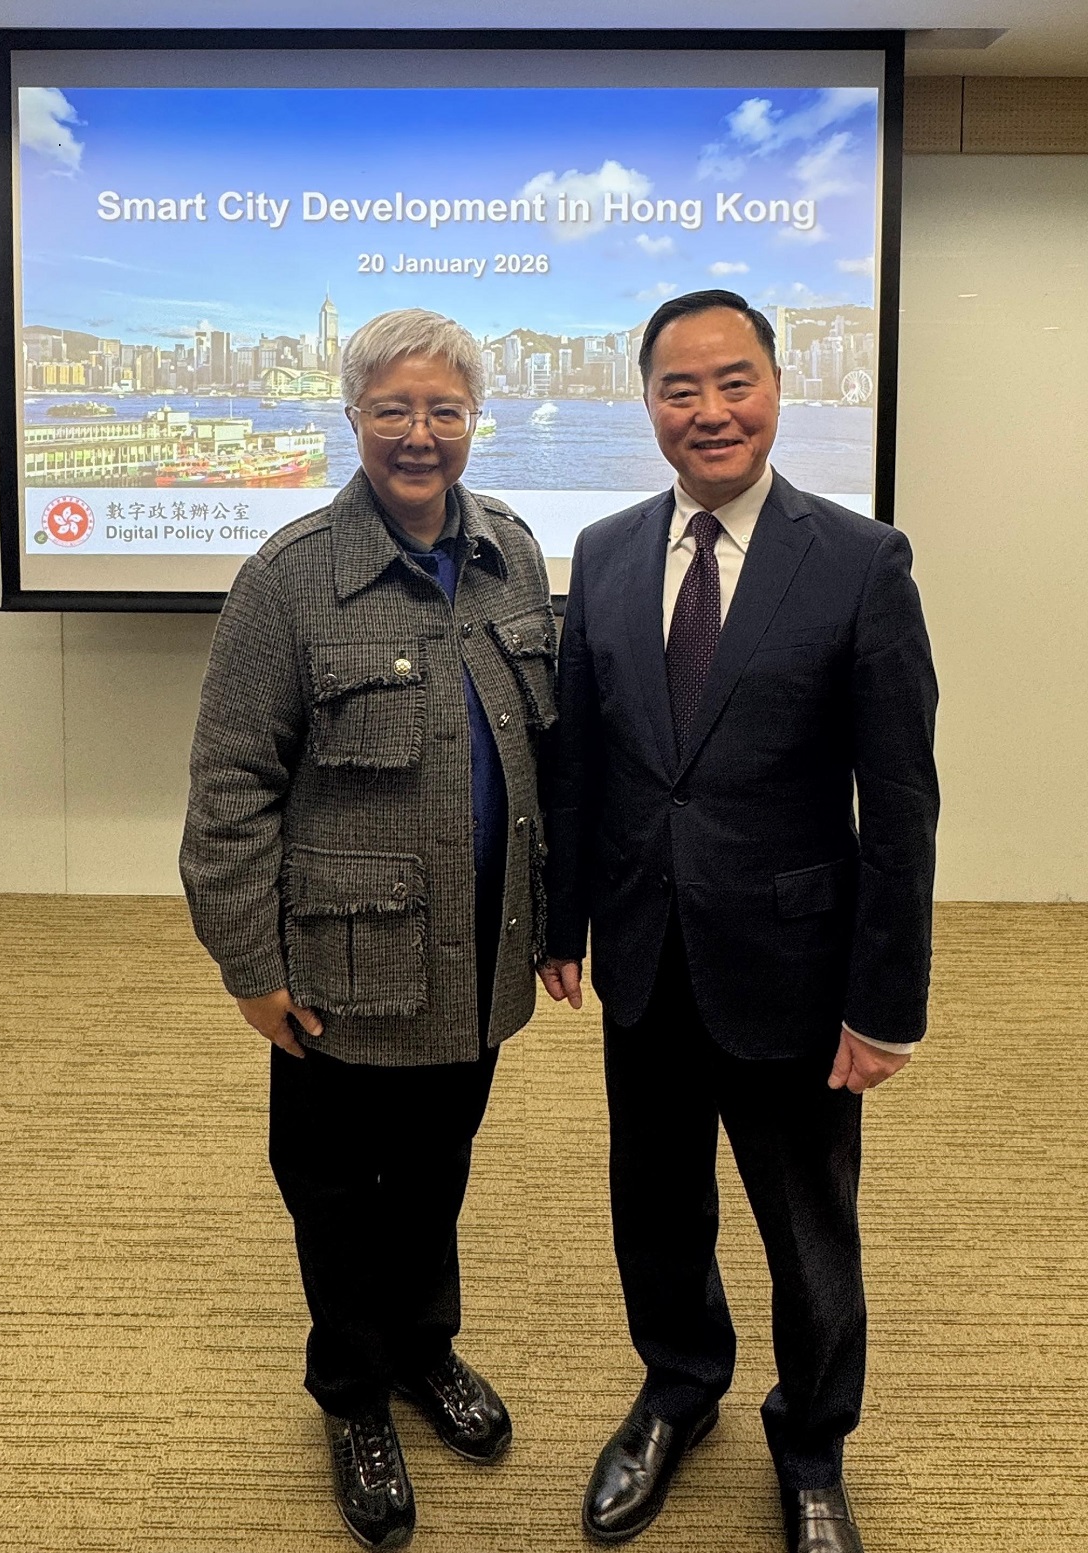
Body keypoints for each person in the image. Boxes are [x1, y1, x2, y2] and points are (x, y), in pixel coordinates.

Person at [539, 290, 938, 1553]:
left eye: (734, 381)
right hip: (645, 954)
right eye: (680, 387)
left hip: (796, 967)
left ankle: (813, 1444)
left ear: (777, 386)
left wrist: (887, 1002)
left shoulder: (861, 560)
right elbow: (583, 760)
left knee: (808, 1230)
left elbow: (902, 801)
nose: (709, 410)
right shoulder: (605, 550)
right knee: (656, 1204)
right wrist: (562, 921)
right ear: (647, 402)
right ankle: (678, 1387)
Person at [180, 308, 556, 1551]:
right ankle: (353, 1393)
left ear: (474, 419)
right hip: (341, 969)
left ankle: (423, 1348)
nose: (419, 433)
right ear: (352, 417)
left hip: (477, 958)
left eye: (444, 408)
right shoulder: (288, 578)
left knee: (437, 1172)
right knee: (338, 1192)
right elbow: (230, 789)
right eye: (393, 408)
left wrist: (555, 919)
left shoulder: (512, 552)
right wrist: (250, 965)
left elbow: (545, 756)